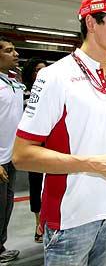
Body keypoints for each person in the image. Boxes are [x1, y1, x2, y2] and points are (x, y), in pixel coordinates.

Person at [13, 0, 106, 266]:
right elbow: (22, 155)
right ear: (90, 23)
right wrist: (95, 164)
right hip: (71, 218)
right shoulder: (55, 78)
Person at [0, 36, 22, 263]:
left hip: (11, 155)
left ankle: (0, 246)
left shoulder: (13, 82)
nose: (15, 54)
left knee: (5, 206)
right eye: (9, 50)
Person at [22, 57, 48, 243]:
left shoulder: (53, 92)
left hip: (51, 144)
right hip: (32, 145)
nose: (42, 72)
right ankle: (38, 223)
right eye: (38, 69)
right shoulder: (25, 93)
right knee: (36, 183)